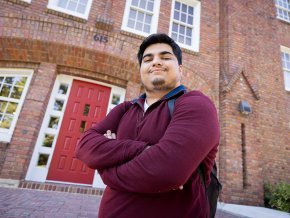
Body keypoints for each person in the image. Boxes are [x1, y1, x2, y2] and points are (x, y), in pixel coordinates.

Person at [75, 33, 220, 218]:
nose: (156, 62)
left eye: (165, 57)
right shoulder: (125, 109)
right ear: (141, 69)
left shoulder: (196, 104)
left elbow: (167, 171)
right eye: (148, 59)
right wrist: (146, 150)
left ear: (180, 70)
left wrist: (105, 170)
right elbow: (84, 146)